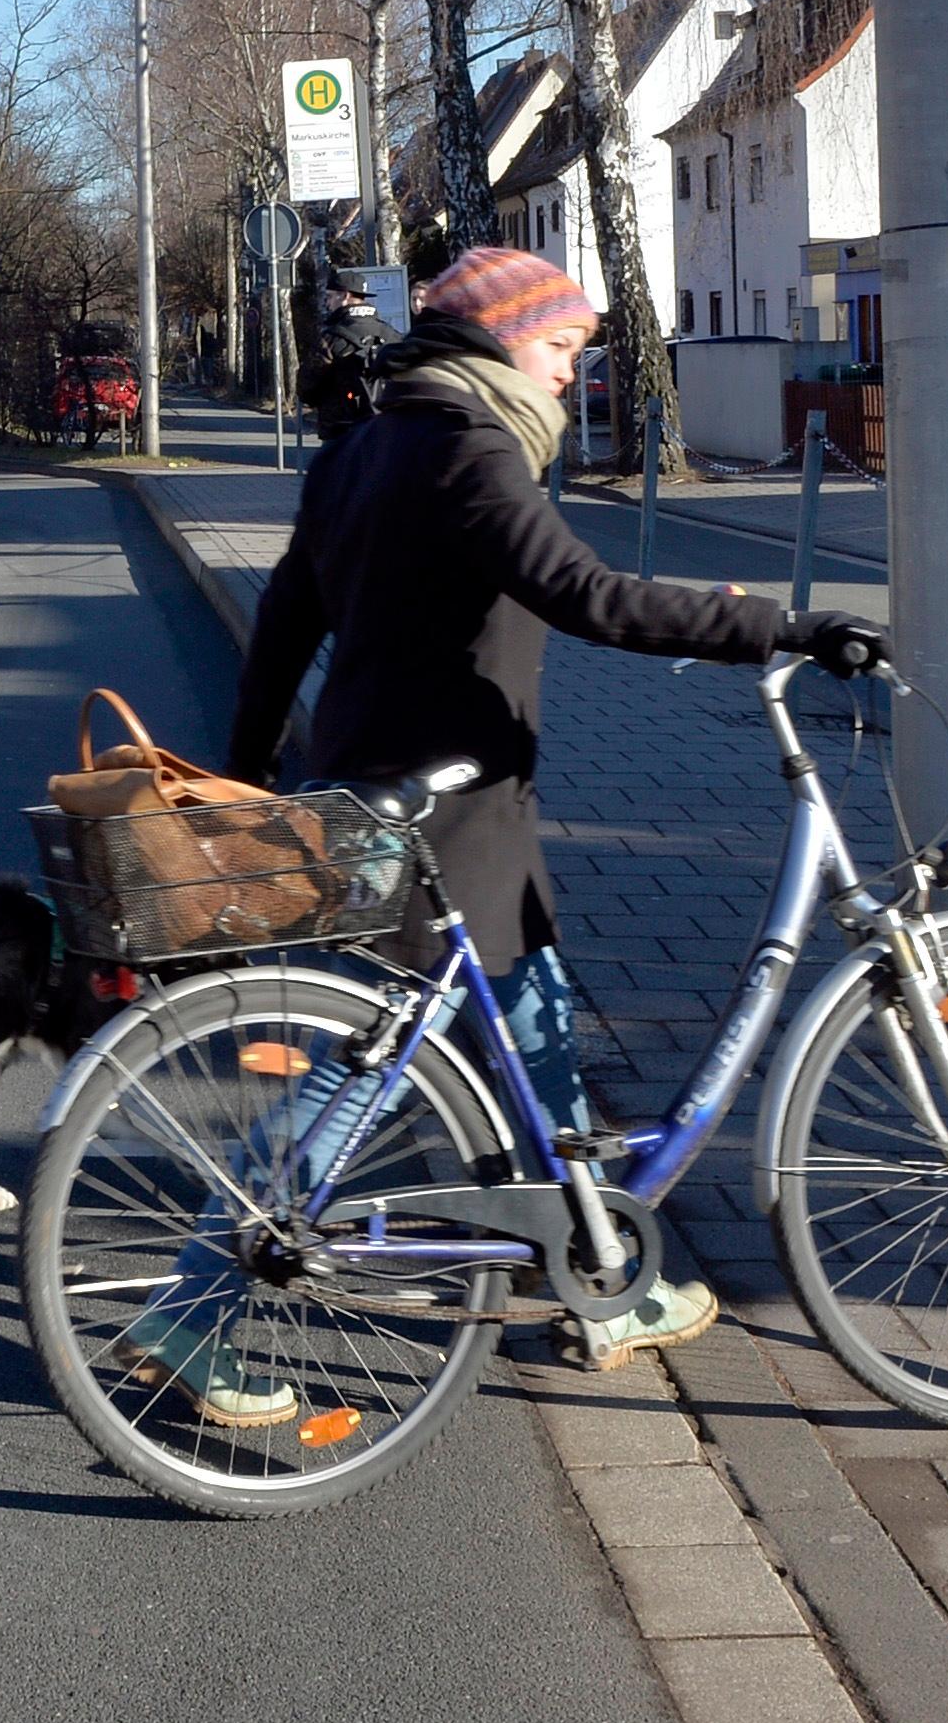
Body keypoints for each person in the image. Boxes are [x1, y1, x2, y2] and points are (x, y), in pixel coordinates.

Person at [216, 241, 885, 1385]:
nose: (572, 373)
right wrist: (779, 625)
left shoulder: (362, 449)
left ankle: (589, 1267)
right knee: (369, 1061)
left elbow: (283, 618)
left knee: (530, 1029)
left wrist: (248, 768)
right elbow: (587, 595)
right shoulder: (468, 451)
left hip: (385, 788)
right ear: (494, 339)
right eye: (560, 345)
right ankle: (190, 1299)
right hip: (445, 808)